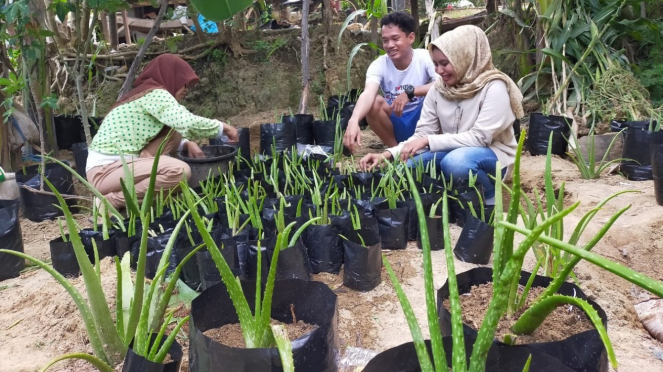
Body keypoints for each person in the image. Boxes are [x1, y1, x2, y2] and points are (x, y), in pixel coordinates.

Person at [359, 25, 524, 205]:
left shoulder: (494, 87)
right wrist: (387, 155)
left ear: (465, 58)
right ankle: (455, 199)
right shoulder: (440, 90)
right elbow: (421, 134)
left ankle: (490, 201)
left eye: (444, 63)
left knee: (457, 163)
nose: (438, 71)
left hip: (493, 156)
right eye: (436, 64)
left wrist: (429, 141)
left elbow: (480, 138)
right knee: (408, 167)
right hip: (452, 152)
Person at [86, 54, 238, 209]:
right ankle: (111, 201)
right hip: (105, 172)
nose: (186, 89)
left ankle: (147, 186)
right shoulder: (155, 94)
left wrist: (186, 144)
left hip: (122, 166)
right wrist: (223, 128)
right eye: (183, 82)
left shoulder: (146, 94)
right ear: (170, 76)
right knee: (179, 171)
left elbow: (175, 128)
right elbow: (187, 122)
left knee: (174, 130)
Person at [343, 11, 438, 153]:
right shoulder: (379, 65)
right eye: (385, 40)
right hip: (395, 123)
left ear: (410, 37)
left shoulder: (425, 58)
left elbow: (443, 85)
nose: (389, 45)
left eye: (395, 39)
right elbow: (368, 93)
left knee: (439, 97)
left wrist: (410, 92)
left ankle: (431, 146)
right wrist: (354, 120)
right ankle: (396, 151)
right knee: (374, 102)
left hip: (423, 122)